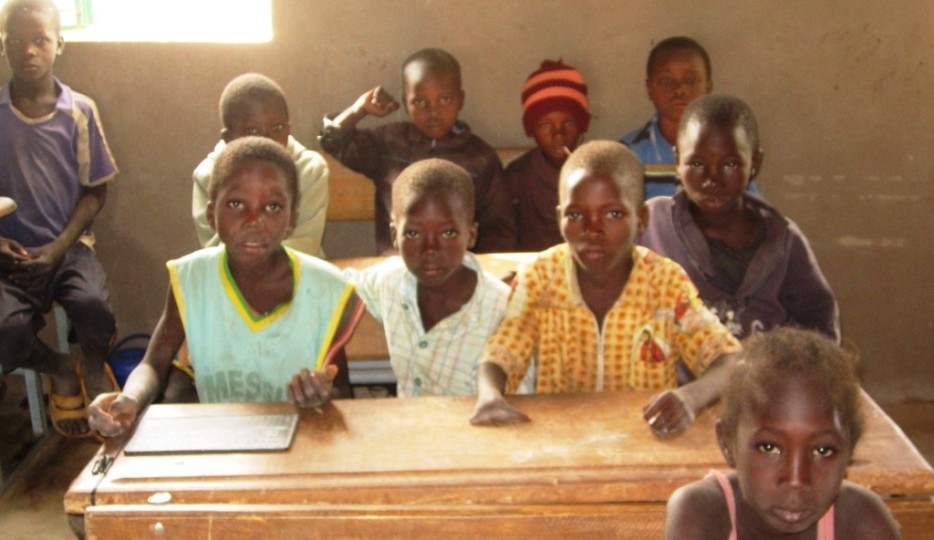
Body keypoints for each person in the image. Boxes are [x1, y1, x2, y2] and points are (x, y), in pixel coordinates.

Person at [88, 137, 364, 438]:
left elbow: (341, 392)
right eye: (236, 204)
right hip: (224, 445)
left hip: (305, 446)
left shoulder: (326, 290)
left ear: (291, 219)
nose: (254, 220)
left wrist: (321, 396)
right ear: (211, 213)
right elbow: (153, 365)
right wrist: (131, 398)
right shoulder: (192, 278)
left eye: (272, 206)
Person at [470, 140, 740, 436]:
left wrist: (690, 397)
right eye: (575, 215)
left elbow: (728, 359)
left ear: (641, 219)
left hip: (644, 441)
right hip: (563, 440)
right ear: (559, 217)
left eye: (612, 214)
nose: (592, 230)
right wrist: (490, 396)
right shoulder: (541, 278)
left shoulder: (665, 283)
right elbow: (502, 352)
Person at [0, 0, 118, 438]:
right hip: (9, 253)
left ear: (59, 44)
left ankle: (90, 361)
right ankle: (59, 369)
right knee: (4, 330)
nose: (28, 51)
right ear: (2, 46)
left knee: (94, 308)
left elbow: (94, 190)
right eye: (15, 41)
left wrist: (59, 247)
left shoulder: (78, 112)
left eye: (40, 40)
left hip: (68, 247)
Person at [664, 328, 901, 539]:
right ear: (727, 443)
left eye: (822, 450)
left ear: (849, 449)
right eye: (769, 448)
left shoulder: (860, 520)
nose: (796, 480)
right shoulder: (700, 514)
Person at [639, 94, 838, 341]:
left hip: (763, 378)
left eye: (730, 165)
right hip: (676, 379)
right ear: (678, 160)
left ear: (754, 163)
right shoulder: (651, 226)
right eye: (697, 164)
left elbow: (820, 327)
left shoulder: (783, 242)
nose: (713, 180)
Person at [346, 159, 532, 397]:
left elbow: (521, 407)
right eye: (413, 233)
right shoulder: (390, 280)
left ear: (471, 235)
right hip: (409, 428)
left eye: (448, 233)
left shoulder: (503, 313)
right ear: (394, 235)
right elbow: (333, 285)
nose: (430, 249)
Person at [319, 47, 516, 254]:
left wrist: (473, 271)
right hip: (395, 267)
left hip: (455, 270)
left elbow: (499, 231)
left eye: (444, 99)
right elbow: (335, 141)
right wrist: (358, 110)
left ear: (460, 99)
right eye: (419, 102)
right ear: (405, 103)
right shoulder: (388, 144)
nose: (433, 112)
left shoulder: (480, 158)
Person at [193, 73, 328, 257]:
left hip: (298, 276)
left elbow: (305, 244)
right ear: (228, 138)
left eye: (278, 128)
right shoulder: (208, 176)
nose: (268, 140)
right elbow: (215, 250)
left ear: (289, 128)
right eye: (251, 131)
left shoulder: (309, 170)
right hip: (234, 277)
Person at [620, 37, 757, 199]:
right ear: (650, 88)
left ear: (708, 87)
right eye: (666, 81)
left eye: (691, 81)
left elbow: (751, 210)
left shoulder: (728, 150)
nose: (679, 90)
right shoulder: (628, 154)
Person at [505, 59, 591, 251]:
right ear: (531, 130)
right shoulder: (517, 178)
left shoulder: (597, 173)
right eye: (545, 125)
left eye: (568, 122)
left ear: (582, 125)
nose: (558, 134)